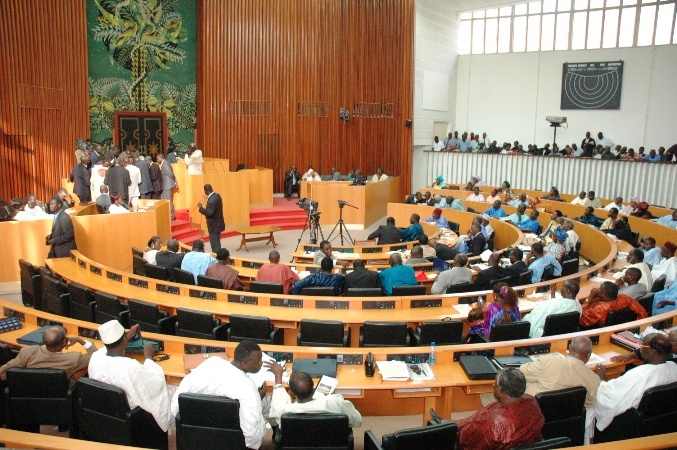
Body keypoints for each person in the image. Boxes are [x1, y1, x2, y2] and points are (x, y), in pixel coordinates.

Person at [171, 341, 274, 449]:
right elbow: (251, 436)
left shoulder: (211, 362)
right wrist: (258, 398)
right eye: (258, 361)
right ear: (244, 364)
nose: (261, 363)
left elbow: (176, 407)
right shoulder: (248, 387)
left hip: (195, 439)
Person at [88, 321, 173, 433]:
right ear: (123, 341)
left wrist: (127, 337)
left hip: (108, 412)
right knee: (174, 389)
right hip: (133, 415)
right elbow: (155, 382)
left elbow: (105, 349)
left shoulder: (95, 358)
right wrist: (148, 357)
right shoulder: (129, 366)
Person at [592, 333, 677, 438]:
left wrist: (602, 380)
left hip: (627, 425)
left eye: (642, 346)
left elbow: (609, 398)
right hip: (659, 425)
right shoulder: (674, 367)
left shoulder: (640, 376)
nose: (639, 348)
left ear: (652, 352)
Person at [455, 367, 544, 450]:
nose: (493, 386)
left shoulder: (495, 423)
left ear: (499, 389)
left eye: (495, 384)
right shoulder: (531, 400)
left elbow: (465, 441)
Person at [521, 336, 600, 409]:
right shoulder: (594, 379)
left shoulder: (549, 362)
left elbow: (521, 373)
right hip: (567, 421)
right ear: (588, 355)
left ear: (569, 348)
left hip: (535, 414)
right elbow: (590, 403)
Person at [0, 325, 95, 385]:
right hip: (60, 399)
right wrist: (80, 340)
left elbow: (3, 374)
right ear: (64, 343)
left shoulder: (28, 352)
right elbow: (95, 355)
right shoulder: (74, 359)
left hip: (27, 398)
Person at [269, 369, 362, 428]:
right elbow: (357, 420)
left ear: (292, 394)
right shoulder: (335, 402)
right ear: (313, 386)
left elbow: (277, 403)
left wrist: (278, 376)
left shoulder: (285, 411)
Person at [579, 281, 647, 328]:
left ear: (603, 294)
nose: (597, 289)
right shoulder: (624, 298)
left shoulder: (600, 309)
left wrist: (589, 297)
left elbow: (582, 320)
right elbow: (642, 312)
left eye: (599, 288)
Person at [198, 184, 225, 253]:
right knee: (217, 243)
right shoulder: (217, 196)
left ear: (206, 191)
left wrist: (201, 208)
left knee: (215, 246)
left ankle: (217, 261)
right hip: (218, 223)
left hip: (214, 226)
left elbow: (209, 213)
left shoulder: (211, 200)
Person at [157, 153, 177, 220]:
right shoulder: (165, 163)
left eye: (157, 159)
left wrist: (175, 181)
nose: (157, 160)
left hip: (168, 185)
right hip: (166, 185)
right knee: (163, 199)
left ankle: (172, 216)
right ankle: (165, 214)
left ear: (160, 158)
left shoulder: (165, 164)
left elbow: (170, 173)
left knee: (169, 200)